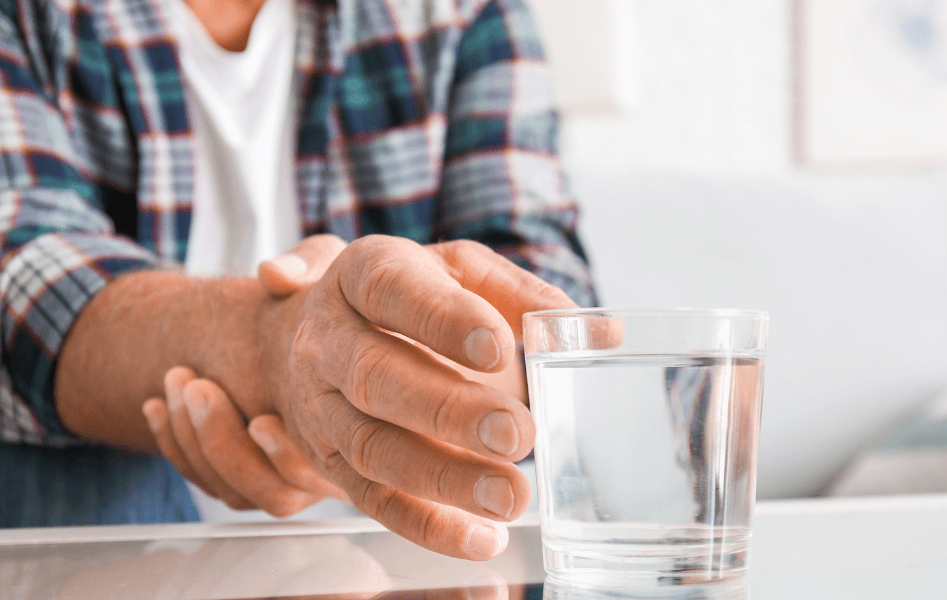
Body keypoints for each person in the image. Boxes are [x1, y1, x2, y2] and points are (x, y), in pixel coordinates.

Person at [0, 0, 596, 561]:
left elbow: (546, 299)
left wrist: (390, 369)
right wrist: (277, 353)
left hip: (401, 568)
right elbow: (21, 270)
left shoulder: (460, 12)